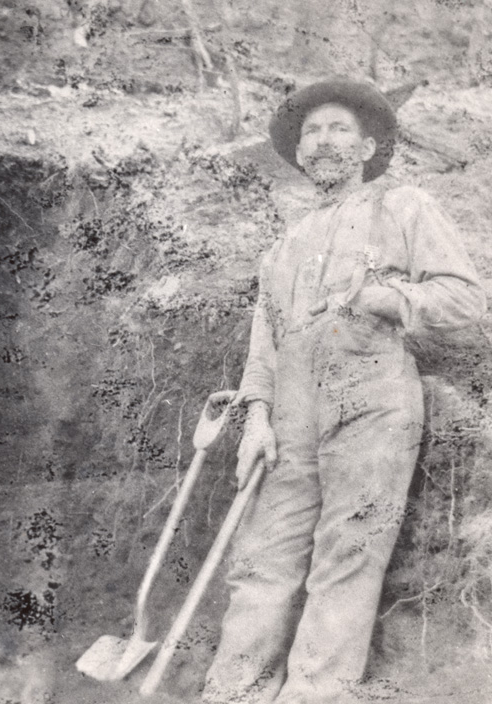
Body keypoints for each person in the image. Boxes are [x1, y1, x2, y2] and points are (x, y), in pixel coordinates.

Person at [203, 79, 486, 703]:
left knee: (348, 558)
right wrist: (256, 419)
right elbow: (264, 348)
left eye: (338, 129)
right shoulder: (281, 249)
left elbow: (466, 300)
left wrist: (378, 296)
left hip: (374, 408)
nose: (322, 141)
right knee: (259, 563)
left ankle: (313, 694)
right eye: (311, 132)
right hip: (290, 422)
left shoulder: (404, 207)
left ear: (367, 146)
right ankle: (233, 692)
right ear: (299, 153)